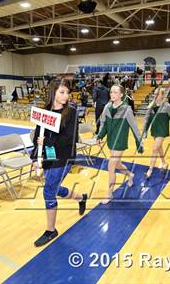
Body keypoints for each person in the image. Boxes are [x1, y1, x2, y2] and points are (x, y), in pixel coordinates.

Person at [31, 78, 88, 247]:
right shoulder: (45, 111)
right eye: (62, 92)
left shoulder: (71, 112)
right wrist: (35, 156)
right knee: (54, 188)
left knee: (48, 191)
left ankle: (51, 230)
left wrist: (47, 143)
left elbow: (69, 138)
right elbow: (37, 137)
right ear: (53, 92)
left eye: (67, 92)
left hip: (64, 156)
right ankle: (81, 198)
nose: (66, 95)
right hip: (48, 156)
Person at [97, 85, 143, 204]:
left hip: (121, 141)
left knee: (111, 166)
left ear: (121, 95)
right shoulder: (107, 107)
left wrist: (139, 143)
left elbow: (134, 127)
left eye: (115, 92)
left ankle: (109, 194)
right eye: (111, 92)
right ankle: (130, 175)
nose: (112, 94)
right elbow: (105, 124)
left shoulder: (126, 109)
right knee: (116, 164)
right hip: (111, 140)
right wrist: (100, 136)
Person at [143, 87, 170, 179]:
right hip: (155, 129)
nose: (155, 95)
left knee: (155, 148)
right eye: (155, 94)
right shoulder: (151, 106)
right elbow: (147, 119)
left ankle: (150, 170)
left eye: (158, 94)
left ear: (162, 95)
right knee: (159, 147)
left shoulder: (167, 106)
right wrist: (145, 131)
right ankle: (163, 162)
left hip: (163, 130)